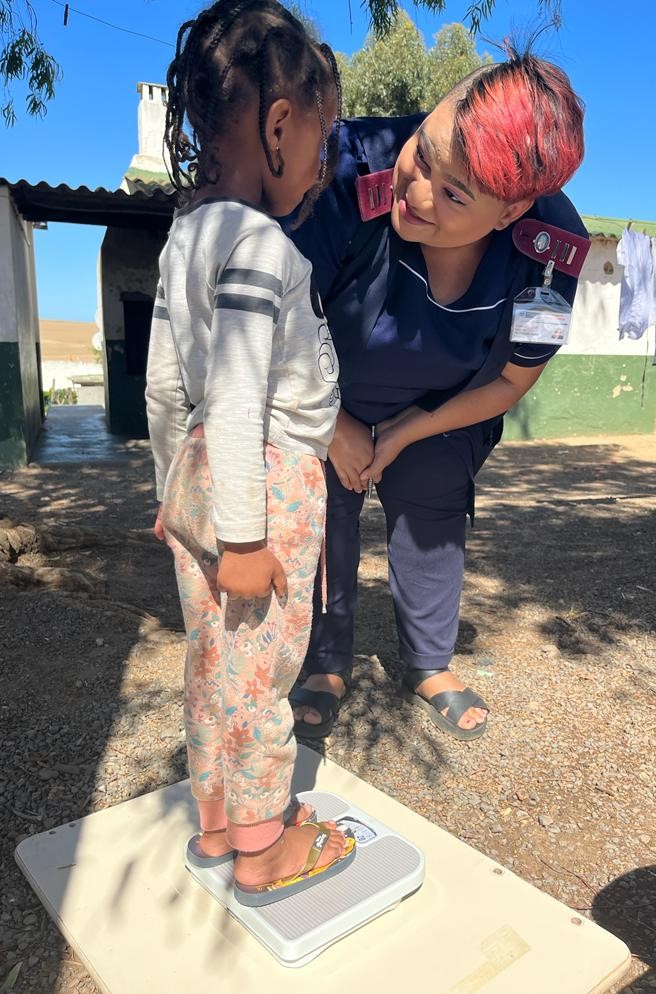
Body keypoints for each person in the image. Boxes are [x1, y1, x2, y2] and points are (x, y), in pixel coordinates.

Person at [287, 47, 587, 742]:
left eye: (454, 196)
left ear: (512, 209)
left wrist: (409, 429)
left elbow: (512, 378)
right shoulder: (345, 167)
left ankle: (428, 661)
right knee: (324, 504)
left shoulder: (550, 248)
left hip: (446, 406)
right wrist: (334, 425)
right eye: (424, 154)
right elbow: (276, 322)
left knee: (432, 504)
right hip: (319, 389)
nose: (415, 194)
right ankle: (325, 661)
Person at [145, 0, 355, 907]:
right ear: (279, 127)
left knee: (210, 663)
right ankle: (266, 851)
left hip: (199, 468)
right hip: (263, 483)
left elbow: (167, 387)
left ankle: (220, 823)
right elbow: (237, 388)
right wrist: (239, 535)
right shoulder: (262, 244)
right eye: (321, 137)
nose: (322, 162)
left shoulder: (181, 239)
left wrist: (170, 495)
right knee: (265, 670)